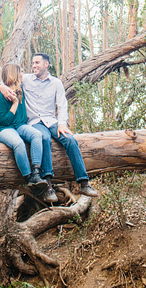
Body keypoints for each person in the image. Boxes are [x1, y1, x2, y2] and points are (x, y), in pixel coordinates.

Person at [17, 53, 99, 198]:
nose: (34, 65)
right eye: (33, 63)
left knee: (71, 140)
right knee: (44, 139)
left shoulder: (56, 83)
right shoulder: (25, 79)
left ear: (46, 64)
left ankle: (84, 183)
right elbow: (5, 83)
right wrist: (1, 87)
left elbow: (62, 105)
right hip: (34, 122)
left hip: (51, 121)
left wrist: (62, 123)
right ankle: (49, 186)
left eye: (37, 63)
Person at [0, 62, 59, 203]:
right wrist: (14, 104)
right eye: (20, 72)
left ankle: (36, 174)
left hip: (18, 125)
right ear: (14, 75)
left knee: (36, 135)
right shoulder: (0, 96)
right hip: (0, 128)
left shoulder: (21, 91)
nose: (23, 75)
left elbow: (20, 119)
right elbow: (4, 122)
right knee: (18, 143)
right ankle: (28, 179)